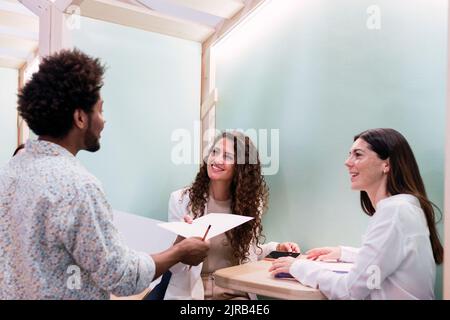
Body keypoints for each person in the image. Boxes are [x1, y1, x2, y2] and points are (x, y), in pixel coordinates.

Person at [0, 49, 209, 299]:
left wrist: (176, 248)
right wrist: (180, 252)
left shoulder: (9, 173)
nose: (103, 121)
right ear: (80, 117)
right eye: (100, 110)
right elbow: (119, 276)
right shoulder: (77, 186)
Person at [270, 128, 443, 300]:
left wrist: (299, 267)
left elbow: (349, 291)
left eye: (358, 155)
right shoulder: (404, 207)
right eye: (350, 154)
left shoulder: (394, 212)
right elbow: (386, 258)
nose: (347, 162)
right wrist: (342, 253)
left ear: (386, 164)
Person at [164, 131, 300, 300]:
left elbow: (250, 253)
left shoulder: (250, 204)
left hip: (235, 291)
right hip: (194, 293)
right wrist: (182, 241)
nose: (216, 160)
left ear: (241, 167)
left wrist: (276, 249)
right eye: (214, 152)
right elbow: (173, 268)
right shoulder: (181, 200)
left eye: (227, 156)